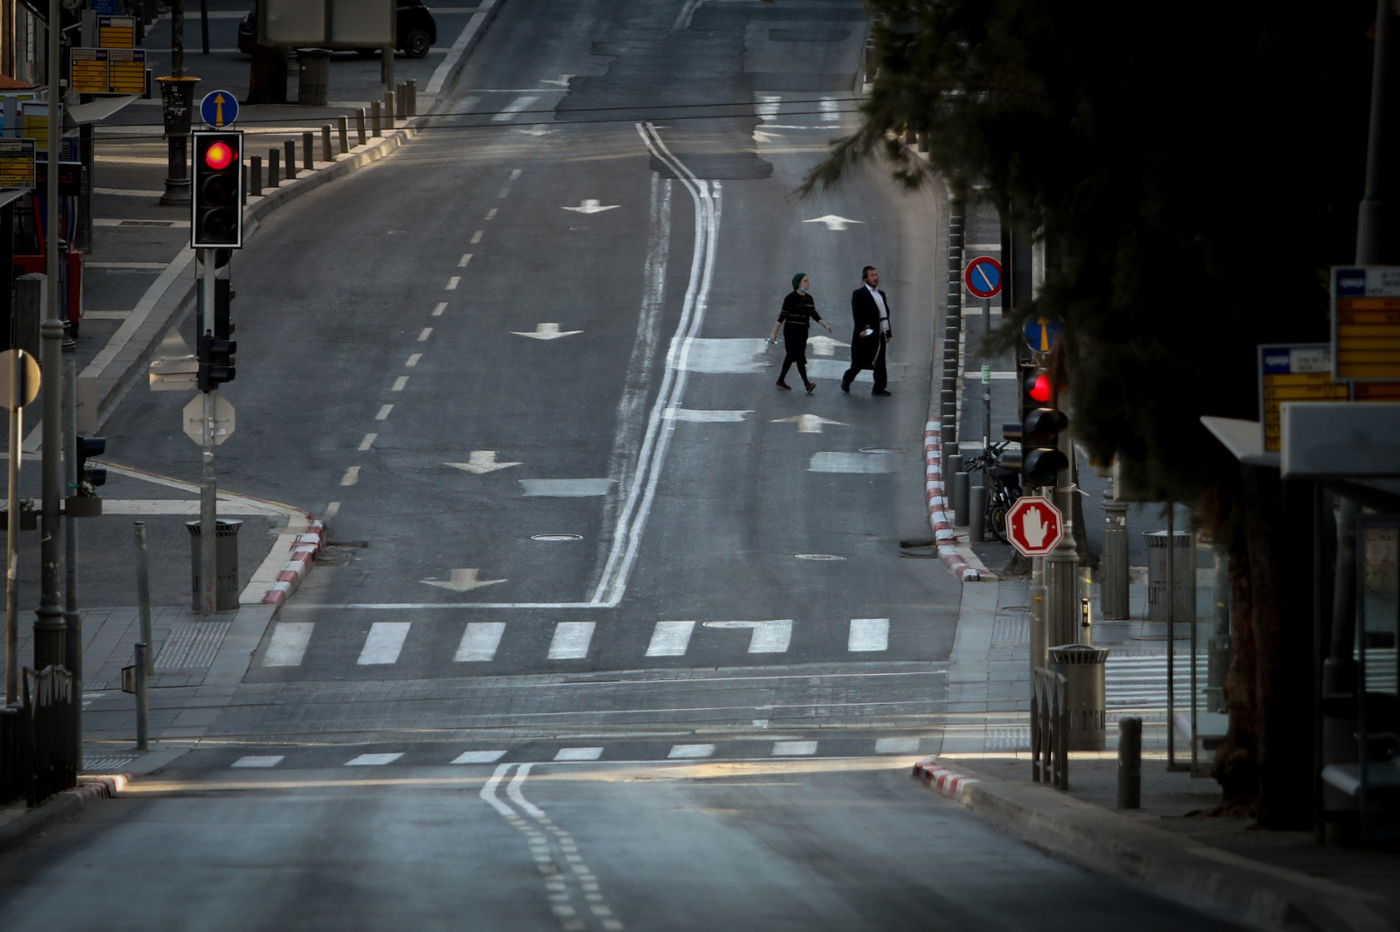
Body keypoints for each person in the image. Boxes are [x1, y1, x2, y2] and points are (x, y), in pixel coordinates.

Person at [768, 272, 832, 393]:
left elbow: (813, 313)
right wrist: (773, 333)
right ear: (798, 283)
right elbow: (782, 317)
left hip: (803, 332)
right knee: (796, 356)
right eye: (805, 281)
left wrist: (824, 324)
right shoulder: (790, 298)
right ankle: (806, 384)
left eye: (808, 281)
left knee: (795, 356)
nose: (808, 283)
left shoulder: (809, 299)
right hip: (791, 332)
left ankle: (781, 380)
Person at [841, 265, 893, 396]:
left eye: (876, 275)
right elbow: (857, 314)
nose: (875, 278)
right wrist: (862, 330)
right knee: (860, 363)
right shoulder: (859, 294)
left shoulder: (880, 294)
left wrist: (888, 332)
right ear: (865, 279)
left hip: (881, 332)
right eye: (872, 275)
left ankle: (879, 388)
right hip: (866, 333)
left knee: (880, 361)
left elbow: (884, 314)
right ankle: (846, 380)